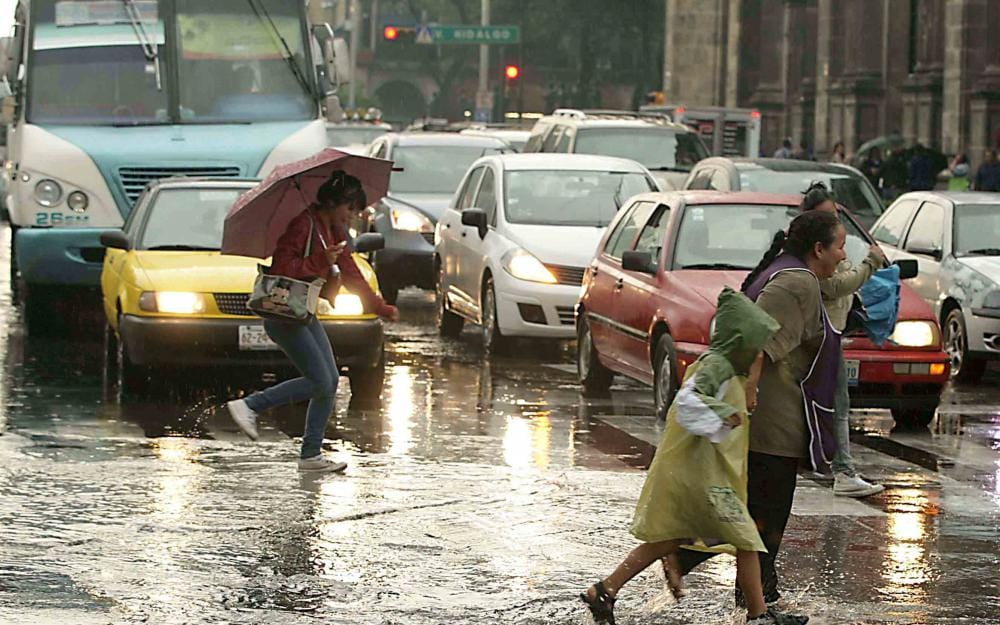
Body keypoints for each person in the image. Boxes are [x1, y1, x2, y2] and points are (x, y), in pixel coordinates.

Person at [580, 288, 806, 625]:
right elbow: (687, 403)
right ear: (739, 341)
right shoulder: (716, 367)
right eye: (754, 345)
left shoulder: (729, 370)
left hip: (707, 478)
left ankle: (605, 589)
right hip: (705, 482)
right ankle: (758, 616)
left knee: (670, 540)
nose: (757, 353)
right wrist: (724, 413)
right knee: (748, 542)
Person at [674, 210, 847, 606]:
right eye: (839, 247)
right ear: (818, 249)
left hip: (769, 413)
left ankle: (750, 593)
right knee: (767, 510)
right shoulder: (797, 282)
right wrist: (750, 391)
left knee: (753, 507)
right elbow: (762, 344)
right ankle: (719, 577)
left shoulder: (786, 272)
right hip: (773, 418)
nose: (843, 256)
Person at [226, 172, 399, 473]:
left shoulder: (332, 231)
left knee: (329, 381)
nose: (351, 217)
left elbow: (351, 271)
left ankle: (310, 455)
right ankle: (251, 405)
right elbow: (283, 268)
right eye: (349, 209)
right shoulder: (304, 225)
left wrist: (379, 307)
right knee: (320, 380)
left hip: (302, 312)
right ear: (333, 202)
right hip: (283, 314)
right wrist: (320, 260)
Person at [800, 183, 886, 497]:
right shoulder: (811, 252)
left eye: (835, 215)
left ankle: (829, 464)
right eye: (826, 216)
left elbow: (845, 280)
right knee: (835, 403)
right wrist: (870, 264)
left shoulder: (831, 245)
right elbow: (836, 285)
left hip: (832, 335)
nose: (833, 222)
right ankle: (843, 470)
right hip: (820, 338)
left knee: (833, 402)